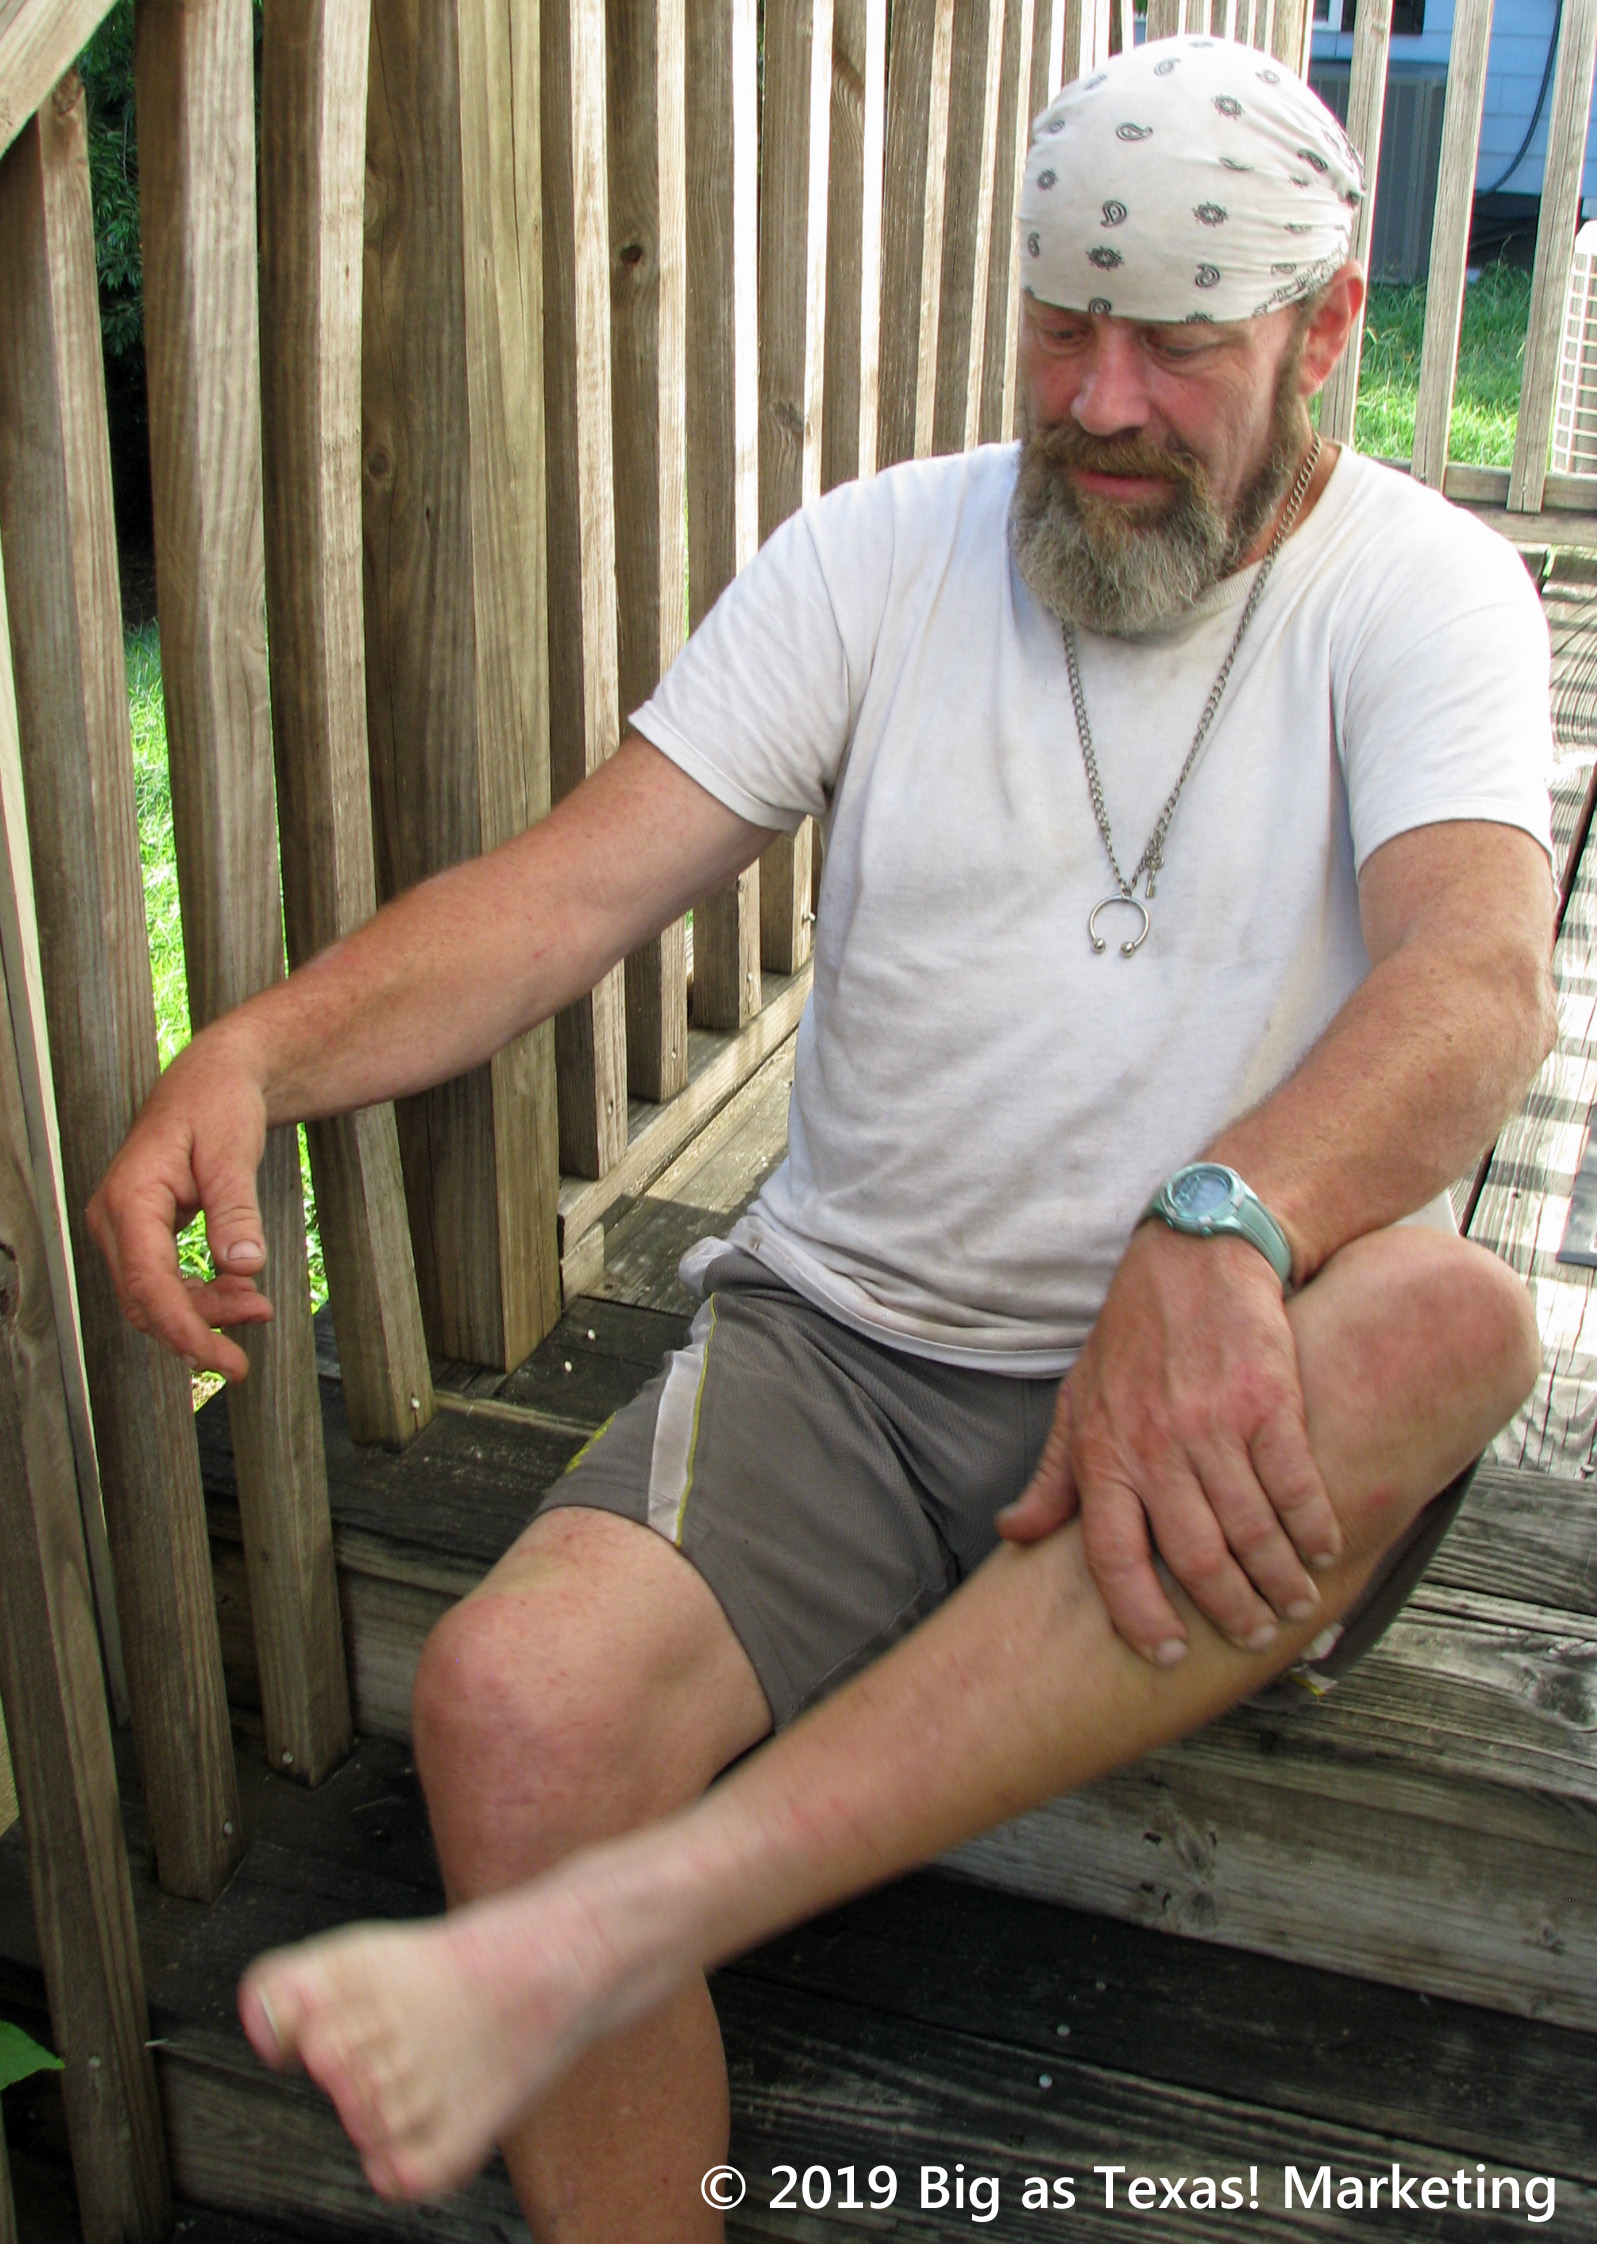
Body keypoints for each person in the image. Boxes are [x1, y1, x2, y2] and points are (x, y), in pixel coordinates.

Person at [91, 36, 1556, 2242]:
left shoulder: (1422, 591)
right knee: (509, 1705)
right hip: (846, 1359)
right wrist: (251, 1060)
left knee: (1448, 1315)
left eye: (1177, 347)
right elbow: (568, 892)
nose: (1100, 404)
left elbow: (1476, 983)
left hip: (1222, 1378)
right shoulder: (878, 553)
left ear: (1326, 328)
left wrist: (1220, 1218)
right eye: (1061, 329)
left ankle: (625, 1913)